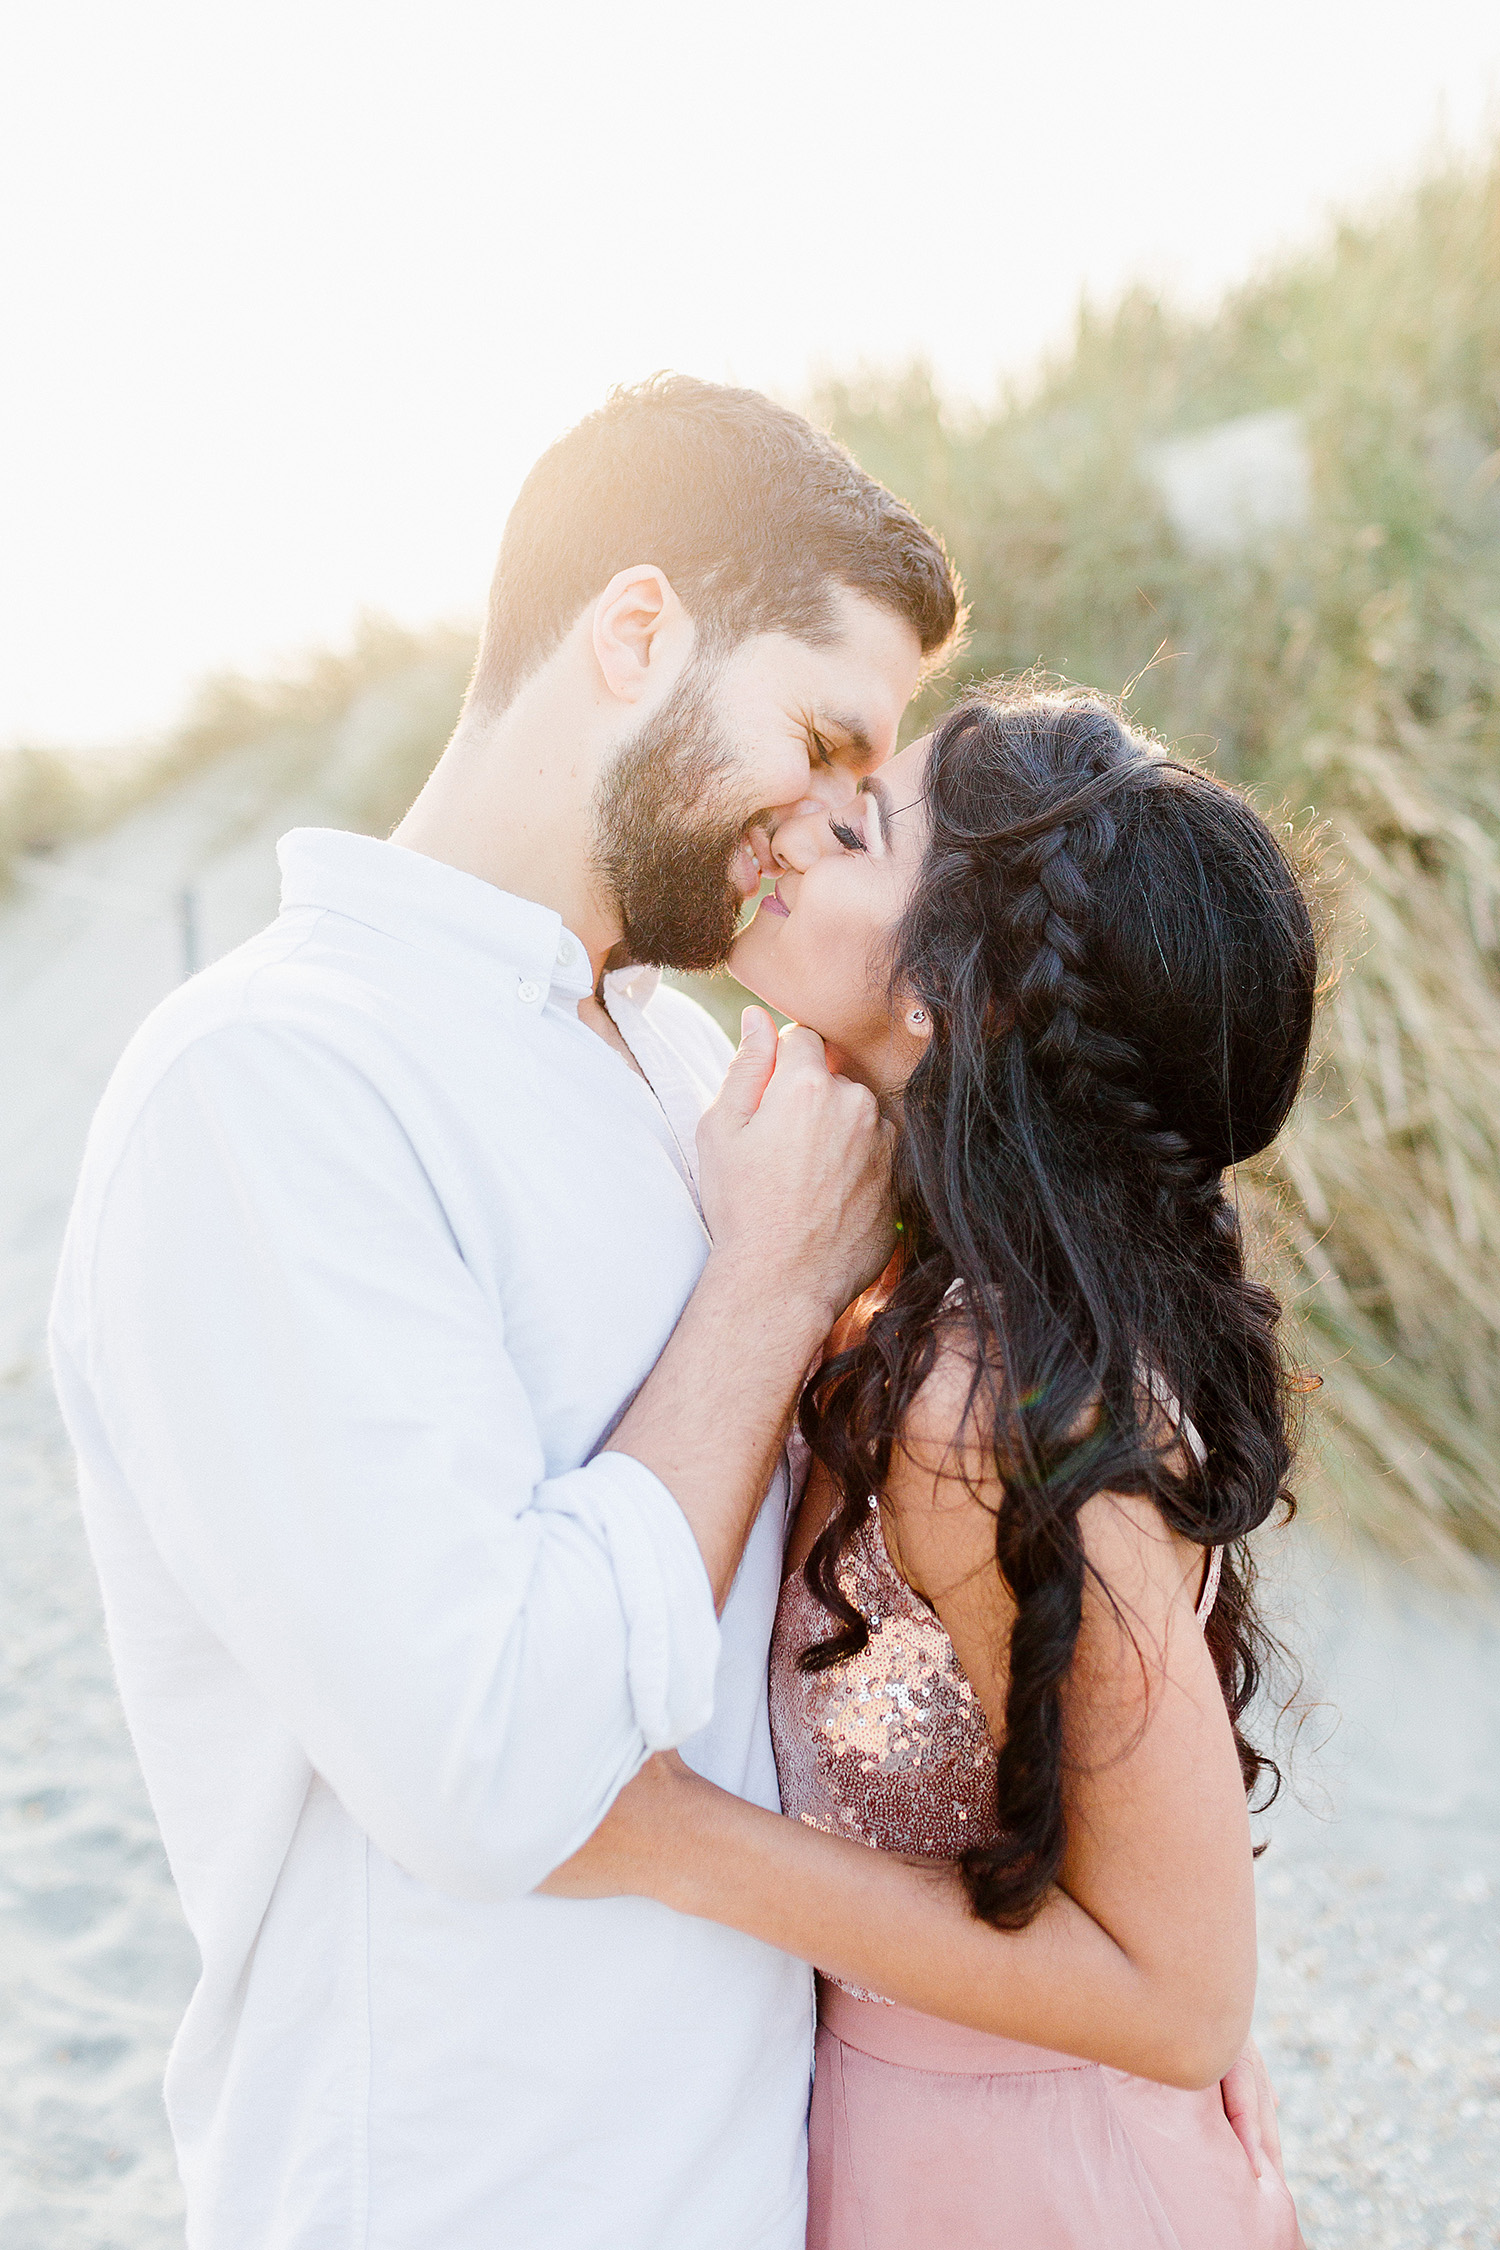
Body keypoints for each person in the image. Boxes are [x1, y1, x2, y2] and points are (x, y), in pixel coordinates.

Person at [48, 375, 960, 2250]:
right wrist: (771, 1290)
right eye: (823, 735)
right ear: (637, 630)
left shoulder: (666, 1049)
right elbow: (483, 1764)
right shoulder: (272, 1083)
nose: (834, 821)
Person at [544, 687, 1314, 2248]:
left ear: (953, 1000)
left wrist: (680, 1836)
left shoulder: (980, 1401)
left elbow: (1184, 1996)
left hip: (1032, 2178)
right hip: (922, 2140)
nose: (784, 819)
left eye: (855, 827)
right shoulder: (906, 1289)